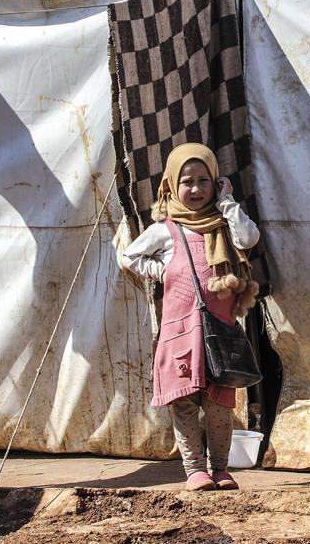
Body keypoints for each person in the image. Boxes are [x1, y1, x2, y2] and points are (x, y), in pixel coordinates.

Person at [120, 143, 259, 491]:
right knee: (184, 405)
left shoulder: (224, 225)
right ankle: (194, 470)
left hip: (220, 333)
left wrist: (227, 202)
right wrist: (163, 269)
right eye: (187, 181)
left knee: (219, 406)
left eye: (204, 180)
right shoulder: (167, 230)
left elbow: (250, 237)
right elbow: (129, 257)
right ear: (171, 186)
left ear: (216, 182)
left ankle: (221, 469)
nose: (195, 189)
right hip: (180, 335)